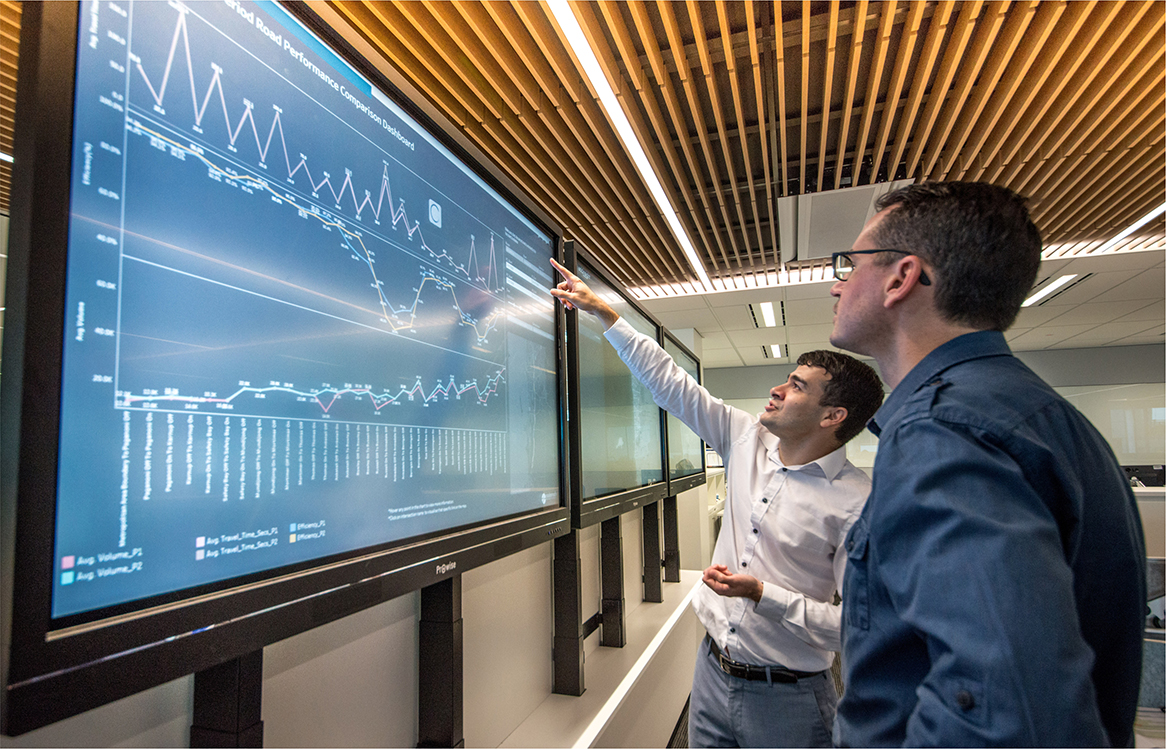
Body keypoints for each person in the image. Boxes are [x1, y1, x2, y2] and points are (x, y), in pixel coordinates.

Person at [828, 181, 1146, 747]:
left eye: (849, 265)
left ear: (902, 278)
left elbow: (1005, 711)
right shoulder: (1036, 412)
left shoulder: (943, 429)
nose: (837, 283)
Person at [550, 258, 885, 748]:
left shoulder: (857, 504)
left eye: (796, 386)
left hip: (788, 699)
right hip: (711, 673)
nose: (777, 389)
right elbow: (672, 386)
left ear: (833, 415)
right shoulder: (745, 439)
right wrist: (606, 314)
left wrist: (761, 594)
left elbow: (860, 625)